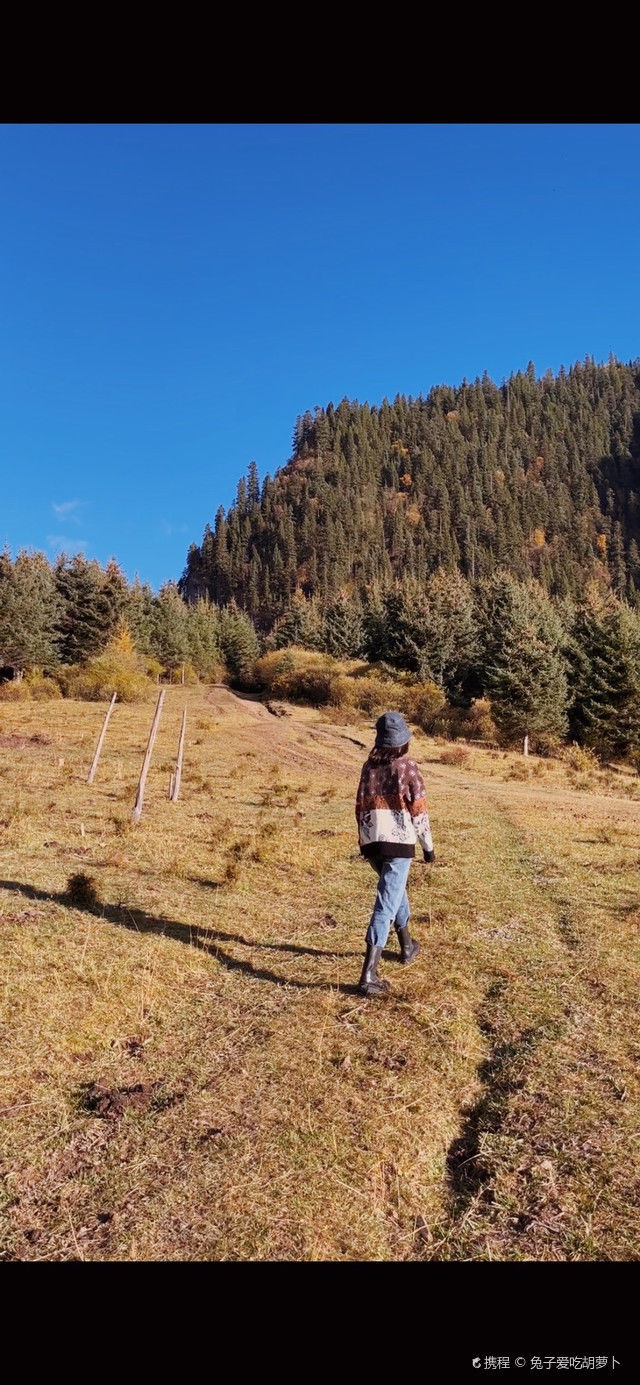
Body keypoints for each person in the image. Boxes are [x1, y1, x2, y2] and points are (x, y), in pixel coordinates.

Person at [355, 709, 435, 997]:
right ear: (403, 742)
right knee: (385, 904)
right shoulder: (407, 767)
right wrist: (428, 848)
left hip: (373, 842)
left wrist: (364, 841)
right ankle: (368, 976)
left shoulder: (368, 767)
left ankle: (407, 947)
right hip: (398, 845)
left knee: (394, 892)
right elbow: (419, 812)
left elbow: (360, 806)